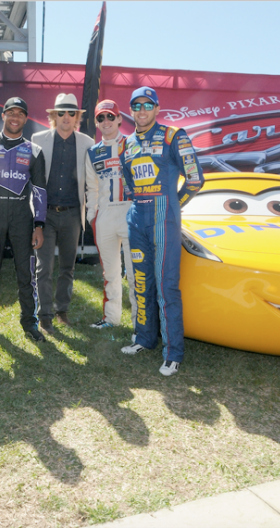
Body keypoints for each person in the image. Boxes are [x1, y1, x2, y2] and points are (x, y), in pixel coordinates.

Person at [119, 86, 204, 377]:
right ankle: (144, 338)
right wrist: (140, 203)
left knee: (166, 287)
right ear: (131, 110)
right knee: (141, 283)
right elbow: (129, 182)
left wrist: (172, 208)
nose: (141, 111)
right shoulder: (125, 144)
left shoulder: (173, 135)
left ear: (157, 108)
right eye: (136, 106)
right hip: (136, 218)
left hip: (163, 220)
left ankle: (173, 353)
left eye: (147, 105)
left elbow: (194, 180)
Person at [0, 97, 47, 343]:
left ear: (25, 118)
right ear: (3, 115)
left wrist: (39, 225)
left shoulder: (34, 151)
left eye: (20, 114)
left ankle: (30, 323)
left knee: (25, 273)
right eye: (11, 113)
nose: (15, 118)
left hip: (21, 216)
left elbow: (39, 190)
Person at [31, 93, 95, 334]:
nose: (66, 117)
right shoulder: (37, 139)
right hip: (45, 215)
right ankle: (44, 316)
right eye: (61, 112)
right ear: (53, 116)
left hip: (71, 215)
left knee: (68, 266)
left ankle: (62, 311)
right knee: (43, 267)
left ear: (77, 116)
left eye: (71, 112)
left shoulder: (87, 142)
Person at [84, 99, 136, 333]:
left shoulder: (133, 145)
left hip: (130, 212)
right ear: (96, 122)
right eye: (101, 118)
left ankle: (139, 322)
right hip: (105, 215)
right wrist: (92, 216)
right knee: (110, 272)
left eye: (110, 116)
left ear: (119, 119)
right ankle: (111, 318)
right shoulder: (93, 152)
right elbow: (91, 187)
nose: (106, 121)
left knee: (136, 273)